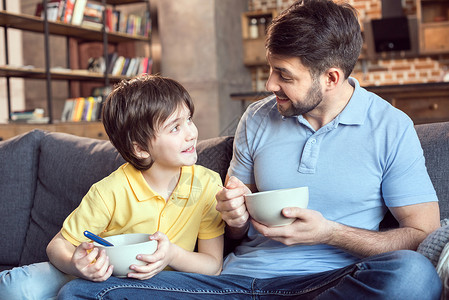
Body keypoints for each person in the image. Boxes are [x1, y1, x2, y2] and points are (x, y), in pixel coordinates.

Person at [58, 0, 443, 299]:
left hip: (330, 285)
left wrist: (331, 233)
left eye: (285, 76)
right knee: (81, 292)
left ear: (331, 78)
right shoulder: (258, 118)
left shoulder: (390, 127)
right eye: (270, 69)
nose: (270, 84)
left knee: (412, 276)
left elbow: (421, 233)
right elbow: (233, 228)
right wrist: (236, 215)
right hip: (238, 284)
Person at [0, 74, 224, 299]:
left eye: (188, 120)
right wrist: (75, 264)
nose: (191, 133)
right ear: (140, 149)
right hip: (101, 275)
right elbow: (57, 246)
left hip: (163, 284)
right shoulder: (110, 191)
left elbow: (213, 266)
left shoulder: (206, 184)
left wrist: (172, 256)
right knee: (14, 287)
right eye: (175, 127)